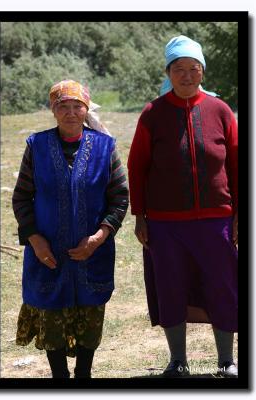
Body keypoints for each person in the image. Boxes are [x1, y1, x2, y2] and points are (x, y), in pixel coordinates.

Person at [127, 35, 238, 378]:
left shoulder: (220, 110)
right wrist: (140, 215)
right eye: (179, 69)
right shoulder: (152, 114)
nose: (187, 76)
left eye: (194, 69)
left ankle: (227, 361)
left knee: (223, 285)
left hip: (217, 221)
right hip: (165, 224)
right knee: (170, 286)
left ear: (202, 72)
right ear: (168, 72)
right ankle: (178, 361)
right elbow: (137, 166)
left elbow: (237, 164)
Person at [12, 79, 129, 378]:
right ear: (53, 110)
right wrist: (35, 240)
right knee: (51, 317)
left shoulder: (105, 148)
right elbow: (22, 197)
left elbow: (119, 198)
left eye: (77, 106)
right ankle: (60, 379)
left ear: (86, 109)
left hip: (93, 254)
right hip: (47, 252)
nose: (70, 113)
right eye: (62, 106)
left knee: (90, 314)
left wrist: (99, 237)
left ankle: (84, 377)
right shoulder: (36, 147)